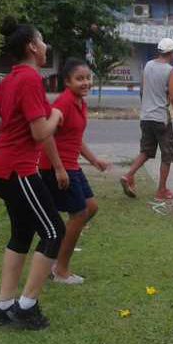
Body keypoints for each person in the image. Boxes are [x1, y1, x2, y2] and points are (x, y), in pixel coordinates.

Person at [0, 17, 66, 329]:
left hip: (1, 169)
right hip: (18, 171)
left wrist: (12, 132)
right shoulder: (29, 79)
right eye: (41, 40)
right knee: (54, 232)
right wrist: (56, 114)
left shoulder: (12, 78)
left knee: (22, 233)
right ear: (32, 46)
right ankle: (26, 307)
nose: (45, 46)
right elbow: (41, 132)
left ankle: (4, 307)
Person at [38, 58, 110, 284]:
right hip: (57, 167)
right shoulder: (63, 104)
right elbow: (45, 135)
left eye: (88, 77)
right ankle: (60, 270)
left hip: (72, 165)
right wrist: (59, 168)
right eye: (79, 79)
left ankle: (54, 258)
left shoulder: (80, 102)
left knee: (90, 207)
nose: (86, 82)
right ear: (67, 82)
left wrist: (94, 160)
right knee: (79, 214)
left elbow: (74, 138)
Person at [120, 38, 173, 201]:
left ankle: (128, 175)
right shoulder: (170, 71)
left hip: (146, 117)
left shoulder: (148, 65)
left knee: (146, 151)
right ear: (171, 53)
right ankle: (161, 190)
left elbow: (142, 91)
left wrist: (146, 107)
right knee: (168, 154)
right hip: (161, 119)